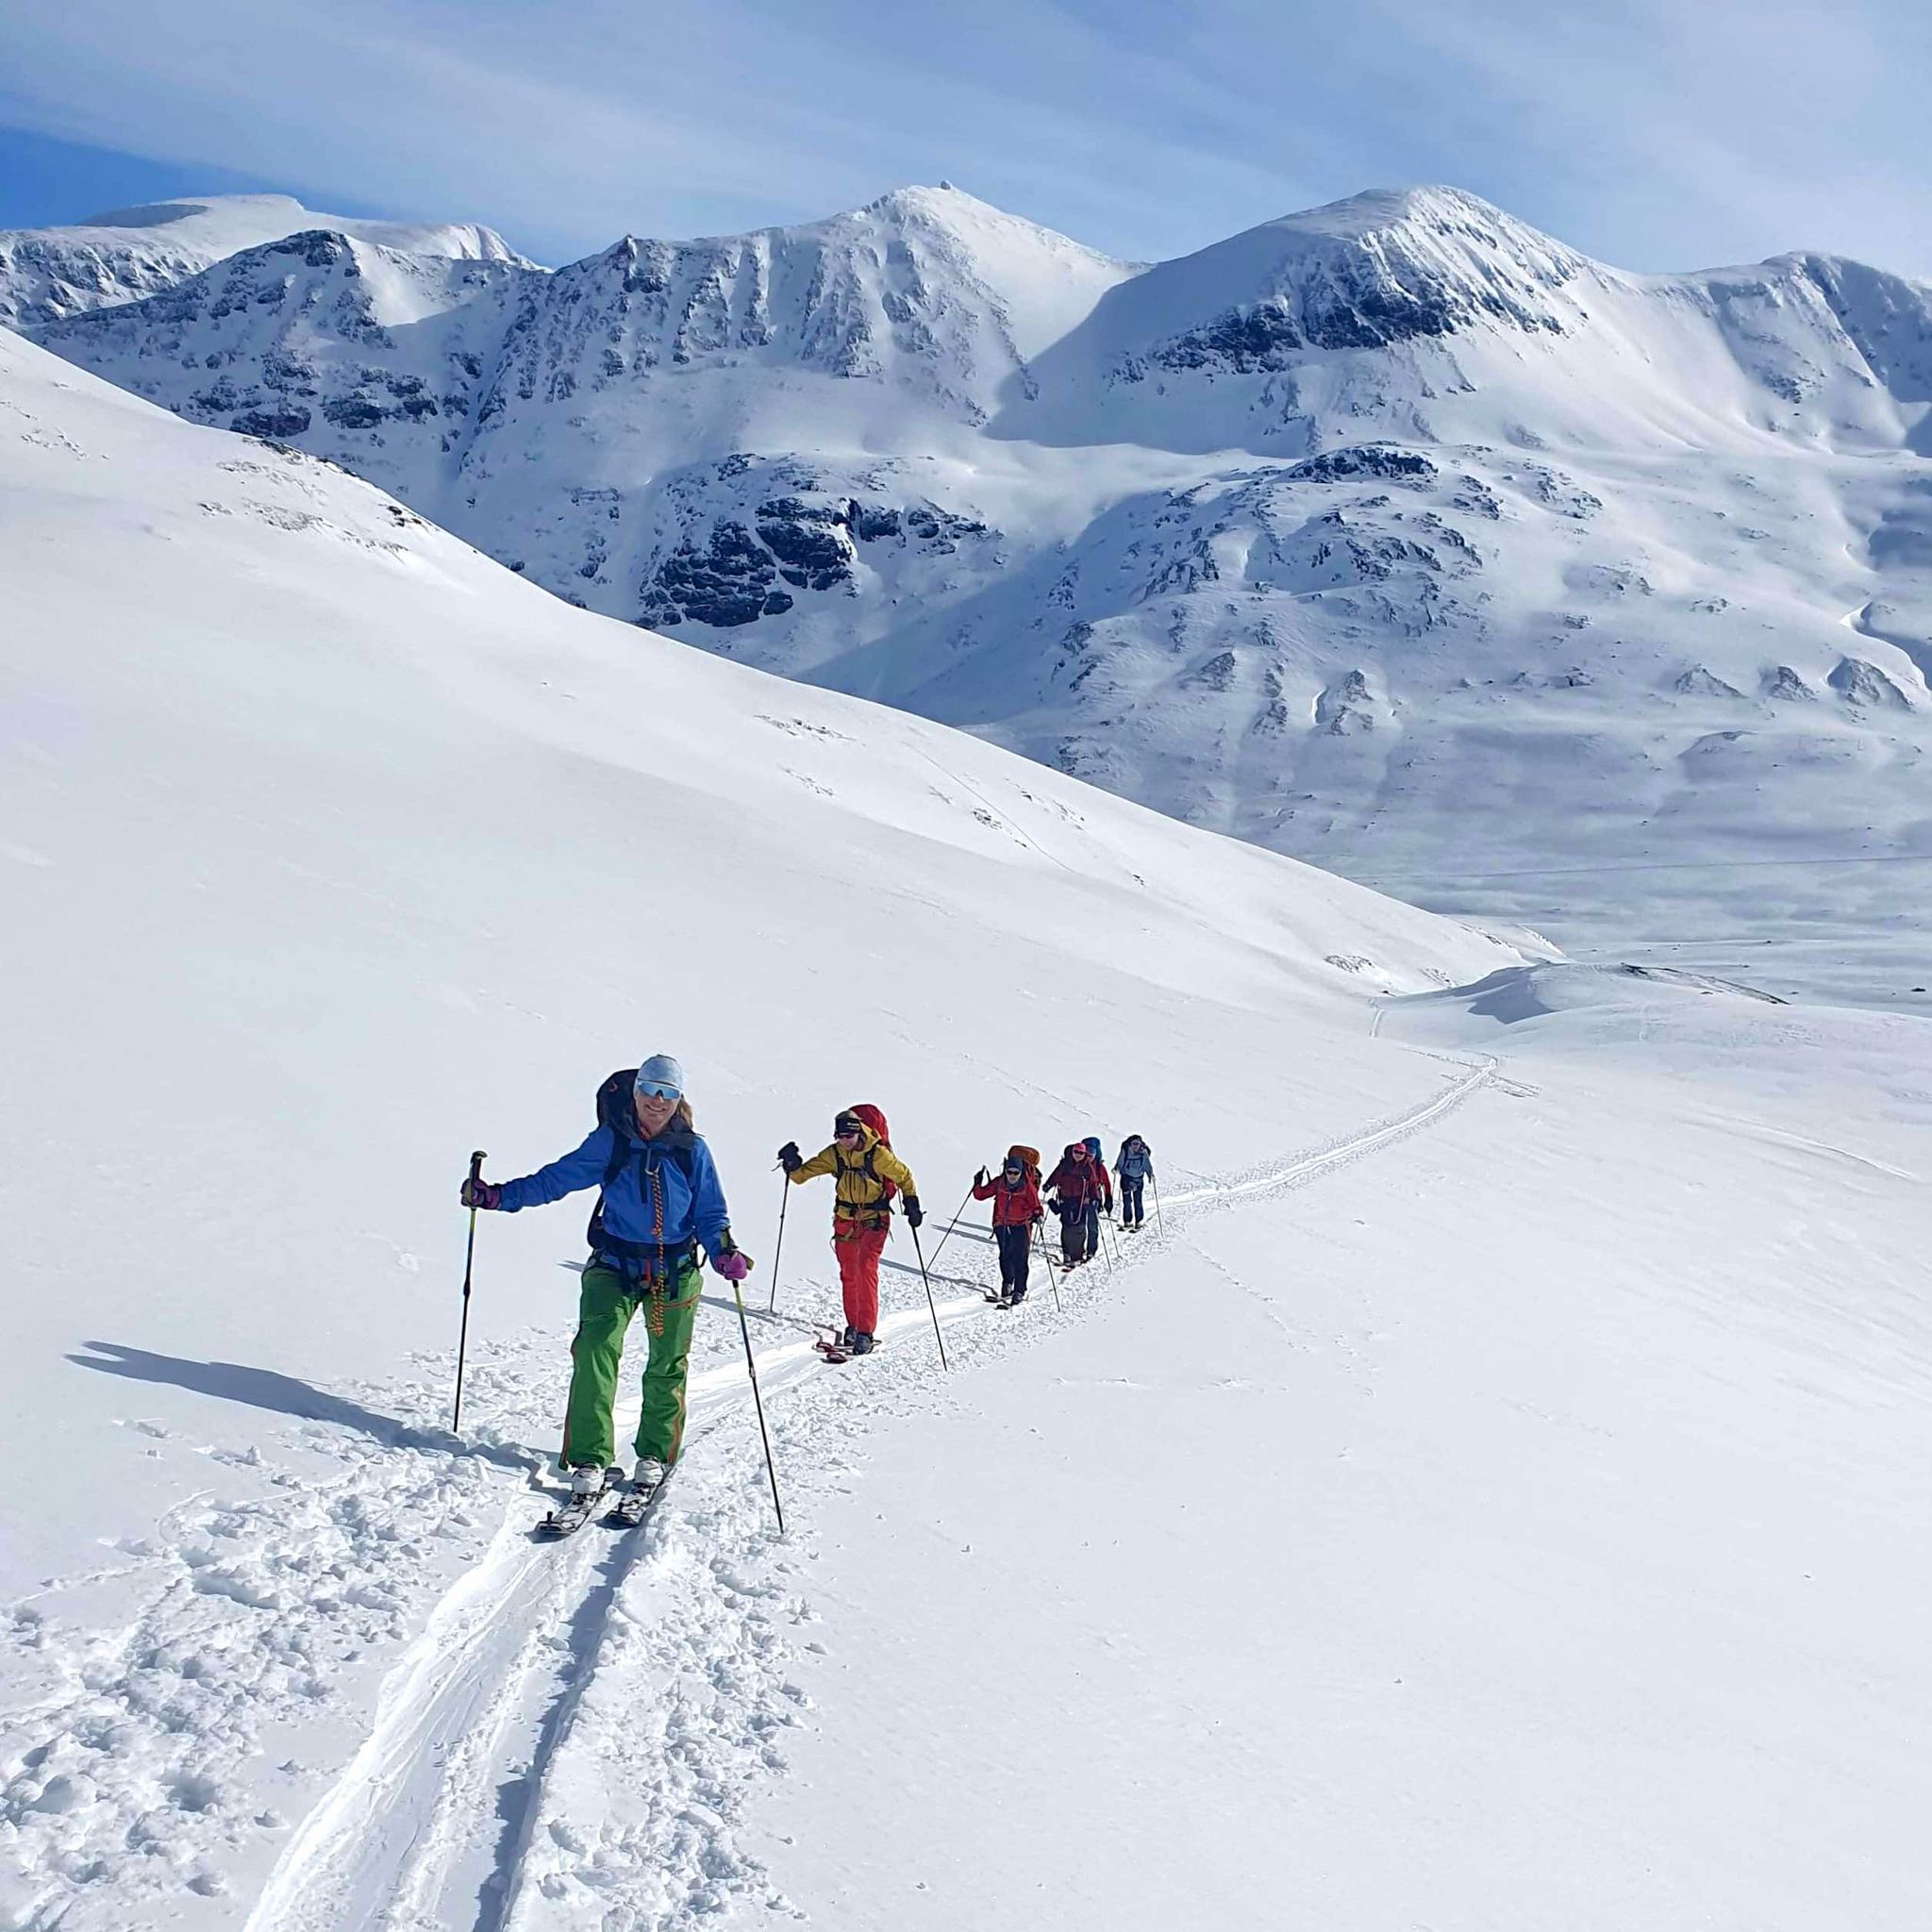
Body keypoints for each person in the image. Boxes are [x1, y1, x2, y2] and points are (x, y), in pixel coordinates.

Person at [461, 1055, 749, 1504]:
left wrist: (723, 1252)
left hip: (674, 1271)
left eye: (668, 1092)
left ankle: (654, 1455)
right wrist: (498, 1196)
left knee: (667, 1364)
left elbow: (710, 1213)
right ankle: (589, 1459)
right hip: (613, 1266)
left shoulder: (692, 1150)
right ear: (635, 1091)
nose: (657, 1101)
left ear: (679, 1098)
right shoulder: (610, 1142)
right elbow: (555, 1180)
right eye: (650, 1089)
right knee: (595, 1349)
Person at [779, 1108, 921, 1356]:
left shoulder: (877, 1155)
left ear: (858, 1133)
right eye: (839, 1136)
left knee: (866, 1267)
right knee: (849, 1273)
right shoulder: (834, 1154)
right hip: (845, 1220)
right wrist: (792, 1164)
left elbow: (904, 1176)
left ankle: (866, 1331)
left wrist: (912, 1203)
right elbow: (801, 1177)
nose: (844, 1141)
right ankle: (853, 1326)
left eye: (848, 1136)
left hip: (874, 1220)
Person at [972, 1146, 1042, 1305]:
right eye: (1009, 1172)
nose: (1012, 1176)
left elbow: (1036, 1205)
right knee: (1005, 1255)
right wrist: (977, 1184)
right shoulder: (1000, 1183)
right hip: (1001, 1224)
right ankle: (1007, 1283)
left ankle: (1019, 1290)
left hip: (1021, 1225)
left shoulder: (1027, 1187)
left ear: (1020, 1172)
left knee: (1020, 1258)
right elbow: (981, 1195)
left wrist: (1038, 1214)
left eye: (1015, 1173)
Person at [1045, 1141, 1107, 1267]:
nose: (1078, 1155)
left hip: (1081, 1200)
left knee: (1079, 1227)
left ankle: (1077, 1255)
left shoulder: (1088, 1167)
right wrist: (1049, 1185)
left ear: (1084, 1154)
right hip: (1065, 1198)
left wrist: (1095, 1198)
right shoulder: (1065, 1164)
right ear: (1072, 1152)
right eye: (1076, 1152)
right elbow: (1056, 1176)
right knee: (1066, 1225)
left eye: (1081, 1153)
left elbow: (1093, 1184)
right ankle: (1067, 1253)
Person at [1080, 1134, 1114, 1256]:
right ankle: (1078, 1249)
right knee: (1080, 1226)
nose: (1089, 1155)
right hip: (1079, 1199)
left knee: (1092, 1225)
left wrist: (1108, 1197)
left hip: (1094, 1199)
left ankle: (1091, 1249)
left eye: (1092, 1152)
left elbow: (1106, 1183)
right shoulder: (1078, 1164)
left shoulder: (1099, 1167)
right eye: (1087, 1151)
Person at [1115, 1135, 1155, 1229]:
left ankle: (1138, 1221)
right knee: (1127, 1201)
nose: (1135, 1146)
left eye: (1137, 1144)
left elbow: (1147, 1165)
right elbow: (1120, 1161)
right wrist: (1117, 1168)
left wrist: (1150, 1175)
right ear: (1130, 1144)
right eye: (1133, 1144)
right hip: (1126, 1179)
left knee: (1138, 1200)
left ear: (1141, 1144)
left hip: (1138, 1180)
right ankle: (1127, 1221)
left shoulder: (1143, 1153)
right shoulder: (1125, 1150)